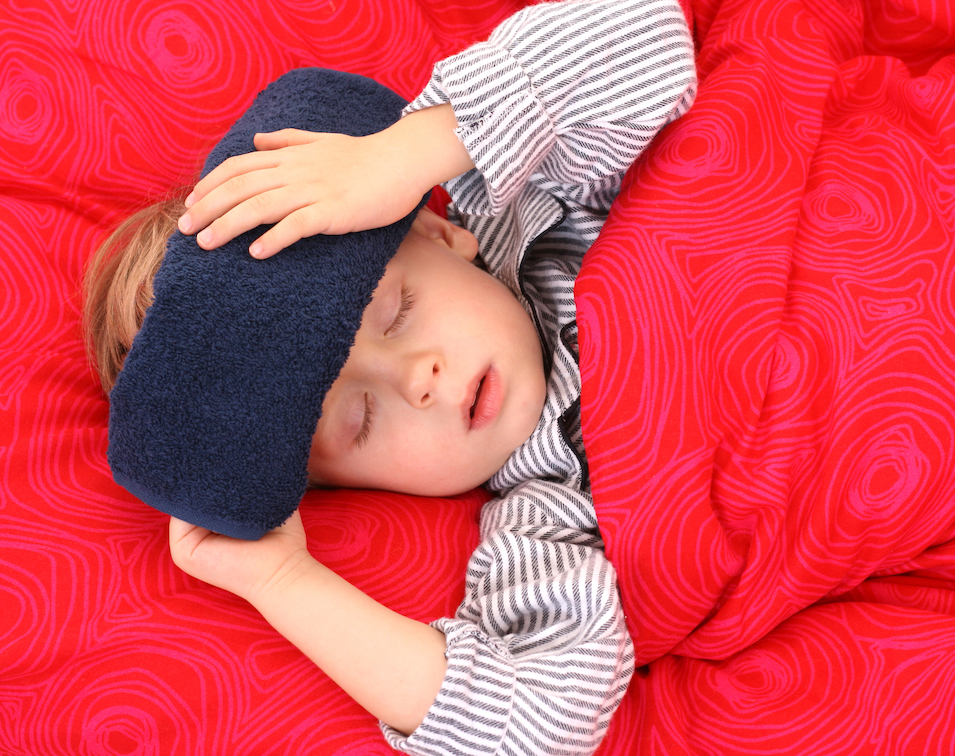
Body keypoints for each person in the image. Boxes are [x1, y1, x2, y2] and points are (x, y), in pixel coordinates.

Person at [84, 0, 697, 752]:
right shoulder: (549, 522)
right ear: (350, 487)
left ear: (438, 232)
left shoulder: (548, 197)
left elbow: (643, 32)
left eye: (398, 312)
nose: (418, 383)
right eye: (359, 422)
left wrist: (404, 157)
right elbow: (541, 727)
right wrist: (285, 583)